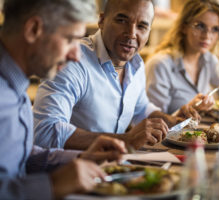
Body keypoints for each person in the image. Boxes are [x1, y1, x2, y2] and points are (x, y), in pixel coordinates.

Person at [33, 0, 201, 151]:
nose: (131, 34)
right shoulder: (73, 61)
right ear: (102, 20)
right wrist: (125, 140)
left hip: (115, 168)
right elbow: (44, 131)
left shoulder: (136, 64)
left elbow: (141, 108)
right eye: (122, 20)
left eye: (142, 26)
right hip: (71, 174)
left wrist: (172, 120)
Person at [0, 0, 127, 199]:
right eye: (70, 39)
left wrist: (81, 158)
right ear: (33, 29)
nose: (77, 56)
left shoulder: (15, 83)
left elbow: (18, 156)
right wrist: (52, 185)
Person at [145, 0, 219, 115]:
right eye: (200, 26)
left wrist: (216, 104)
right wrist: (188, 110)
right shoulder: (160, 64)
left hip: (199, 131)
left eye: (215, 29)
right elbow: (153, 122)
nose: (207, 36)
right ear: (183, 27)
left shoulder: (209, 60)